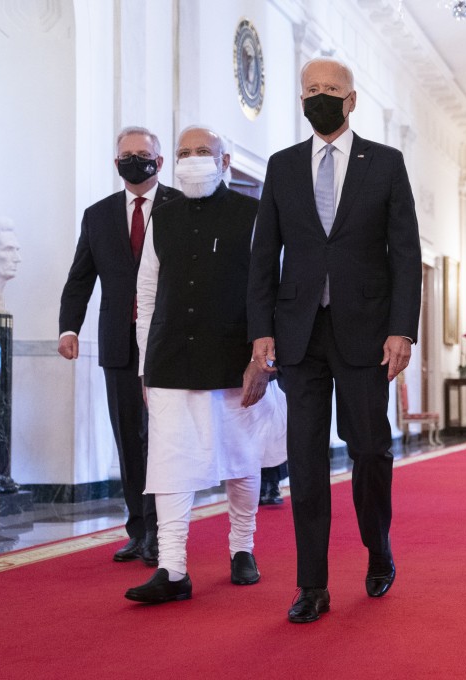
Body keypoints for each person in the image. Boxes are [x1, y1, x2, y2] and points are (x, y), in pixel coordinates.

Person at [248, 57, 422, 623]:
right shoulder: (281, 166)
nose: (319, 97)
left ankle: (377, 546)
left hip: (368, 332)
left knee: (370, 448)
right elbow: (263, 257)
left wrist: (402, 329)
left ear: (351, 100)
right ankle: (311, 585)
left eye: (330, 90)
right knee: (304, 458)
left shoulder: (386, 164)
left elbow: (405, 256)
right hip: (300, 334)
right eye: (310, 90)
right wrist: (261, 331)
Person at [125, 126, 287, 604]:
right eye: (184, 153)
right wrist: (143, 367)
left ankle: (243, 549)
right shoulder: (163, 216)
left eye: (203, 152)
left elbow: (269, 289)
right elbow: (148, 293)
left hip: (236, 358)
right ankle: (173, 568)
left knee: (242, 456)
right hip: (170, 358)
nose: (193, 159)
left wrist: (265, 356)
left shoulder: (252, 214)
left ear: (225, 162)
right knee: (170, 463)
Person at [58, 126, 181, 566]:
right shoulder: (98, 215)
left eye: (143, 154)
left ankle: (162, 530)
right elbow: (80, 278)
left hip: (168, 344)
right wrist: (68, 328)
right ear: (116, 163)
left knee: (161, 440)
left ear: (160, 162)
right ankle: (138, 528)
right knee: (129, 439)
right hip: (118, 344)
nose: (135, 160)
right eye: (126, 155)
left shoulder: (181, 207)